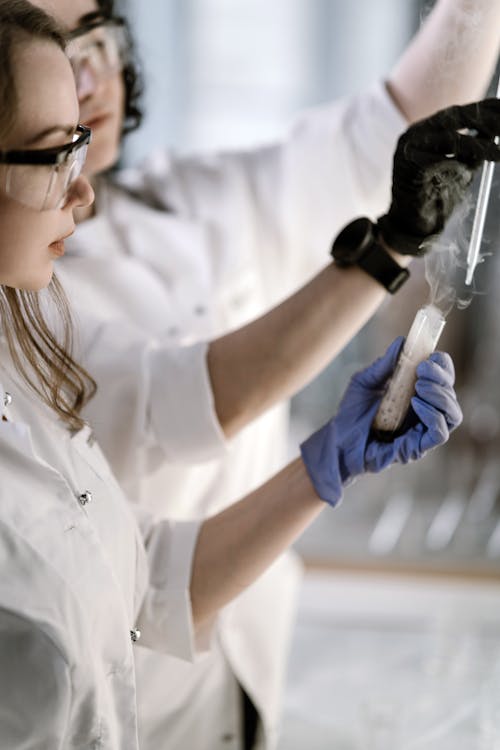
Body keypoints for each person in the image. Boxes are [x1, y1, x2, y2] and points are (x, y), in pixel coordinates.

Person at [29, 1, 500, 748]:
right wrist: (391, 246)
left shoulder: (185, 196)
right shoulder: (20, 304)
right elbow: (192, 397)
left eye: (97, 38)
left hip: (240, 686)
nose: (87, 74)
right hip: (133, 714)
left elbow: (399, 126)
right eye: (51, 44)